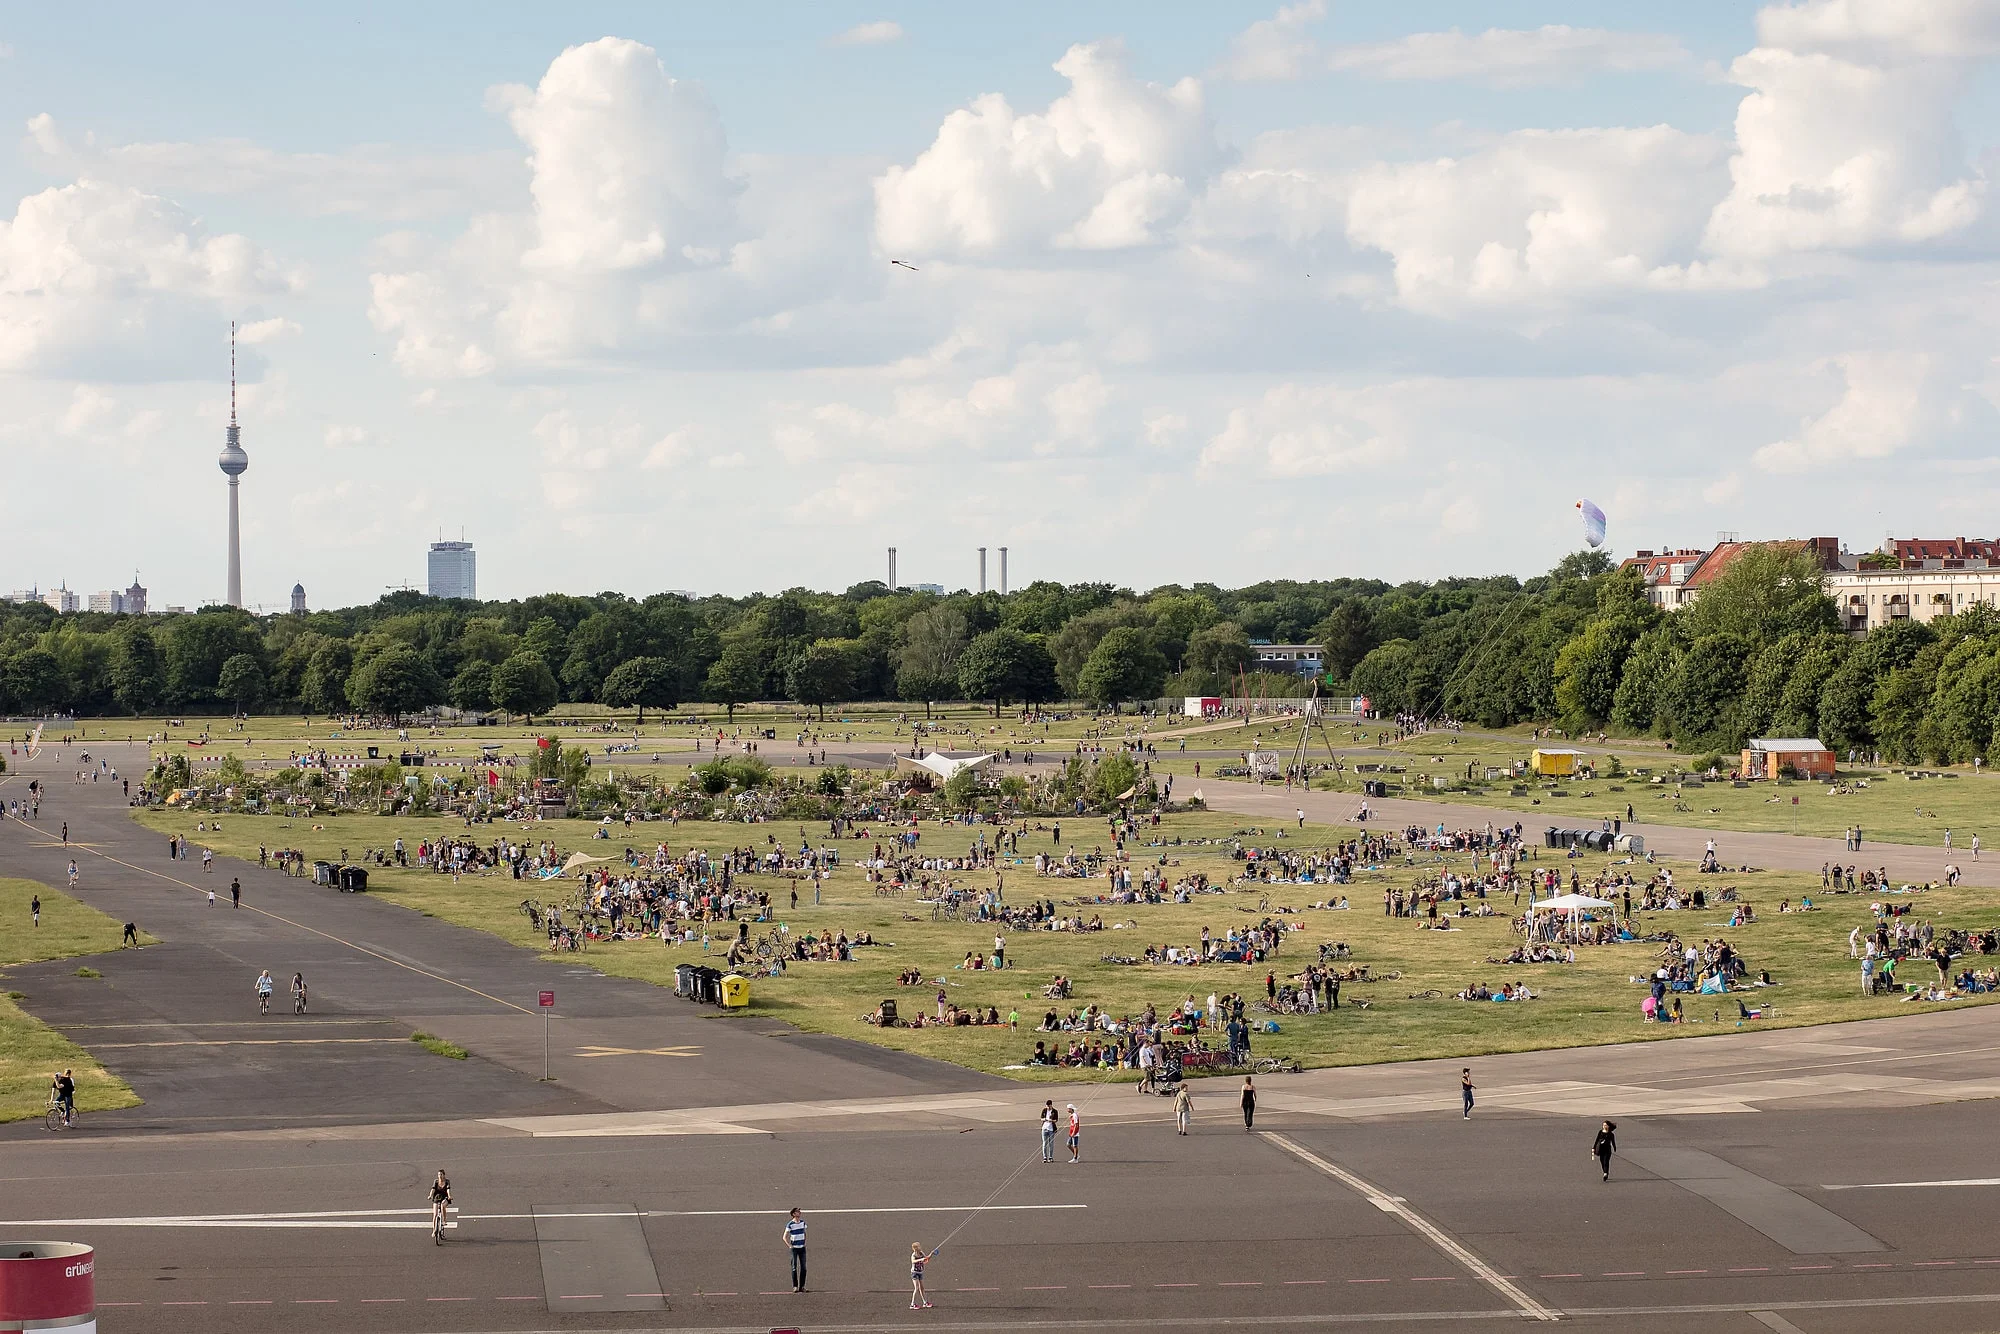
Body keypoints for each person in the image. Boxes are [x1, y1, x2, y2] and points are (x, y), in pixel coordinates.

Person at [785, 1207, 808, 1292]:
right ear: (793, 1214)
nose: (799, 1212)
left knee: (804, 1268)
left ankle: (802, 1286)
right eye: (797, 1212)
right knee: (794, 1267)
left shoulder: (802, 1223)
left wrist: (805, 1242)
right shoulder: (790, 1224)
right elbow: (784, 1237)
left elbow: (804, 1232)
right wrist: (789, 1245)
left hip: (802, 1248)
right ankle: (795, 1286)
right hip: (794, 1249)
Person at [910, 1242, 935, 1309]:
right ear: (915, 1248)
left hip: (920, 1272)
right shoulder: (913, 1255)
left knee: (922, 1288)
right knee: (916, 1288)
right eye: (918, 1246)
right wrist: (921, 1259)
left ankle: (925, 1302)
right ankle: (912, 1304)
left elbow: (926, 1259)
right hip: (914, 1273)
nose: (920, 1247)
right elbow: (913, 1261)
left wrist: (931, 1254)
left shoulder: (921, 1253)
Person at [429, 1170, 453, 1242]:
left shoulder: (447, 1181)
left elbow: (448, 1190)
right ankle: (434, 1230)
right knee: (435, 1214)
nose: (440, 1176)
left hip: (445, 1197)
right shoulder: (436, 1181)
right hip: (437, 1197)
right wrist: (430, 1195)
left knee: (443, 1206)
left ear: (444, 1175)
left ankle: (444, 1220)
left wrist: (449, 1196)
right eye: (439, 1174)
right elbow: (433, 1190)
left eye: (441, 1174)